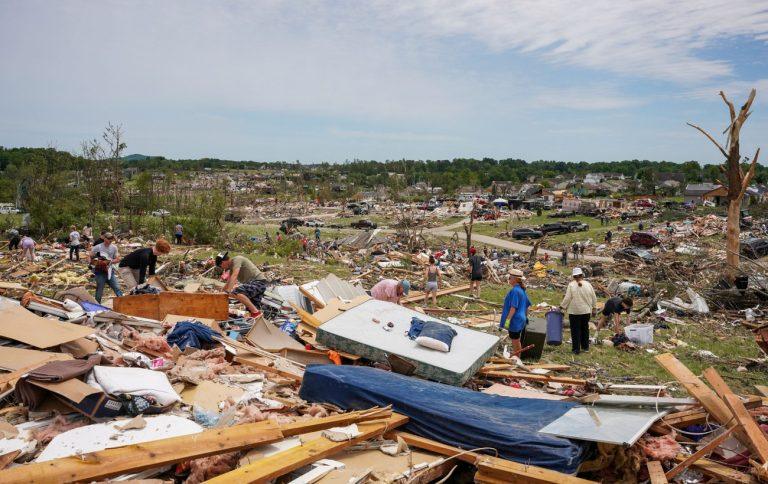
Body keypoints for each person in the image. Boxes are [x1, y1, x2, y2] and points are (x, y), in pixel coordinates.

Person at [217, 252, 267, 317]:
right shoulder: (232, 268)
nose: (223, 268)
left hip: (258, 282)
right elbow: (228, 282)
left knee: (237, 292)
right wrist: (221, 293)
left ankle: (256, 313)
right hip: (255, 283)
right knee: (250, 311)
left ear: (223, 262)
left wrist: (228, 291)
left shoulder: (237, 259)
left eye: (221, 266)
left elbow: (235, 275)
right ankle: (256, 317)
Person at [560, 267, 597, 355]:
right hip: (586, 311)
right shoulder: (588, 284)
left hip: (574, 311)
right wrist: (594, 308)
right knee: (585, 329)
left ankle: (576, 349)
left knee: (575, 330)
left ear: (574, 276)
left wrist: (561, 307)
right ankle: (585, 347)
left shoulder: (571, 285)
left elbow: (568, 298)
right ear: (582, 275)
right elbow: (594, 297)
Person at [499, 269, 531, 355]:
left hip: (515, 319)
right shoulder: (522, 290)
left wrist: (507, 321)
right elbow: (527, 306)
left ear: (515, 279)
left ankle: (517, 358)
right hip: (520, 319)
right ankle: (517, 356)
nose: (508, 279)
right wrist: (525, 317)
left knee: (515, 341)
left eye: (510, 278)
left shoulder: (515, 291)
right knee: (516, 340)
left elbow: (513, 308)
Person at [88, 232, 122, 302]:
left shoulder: (114, 247)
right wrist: (92, 264)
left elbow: (118, 259)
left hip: (109, 271)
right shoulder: (98, 247)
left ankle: (123, 302)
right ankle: (97, 305)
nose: (110, 240)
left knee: (117, 287)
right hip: (99, 272)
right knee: (99, 290)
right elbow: (89, 256)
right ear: (104, 239)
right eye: (109, 238)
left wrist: (109, 262)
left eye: (111, 239)